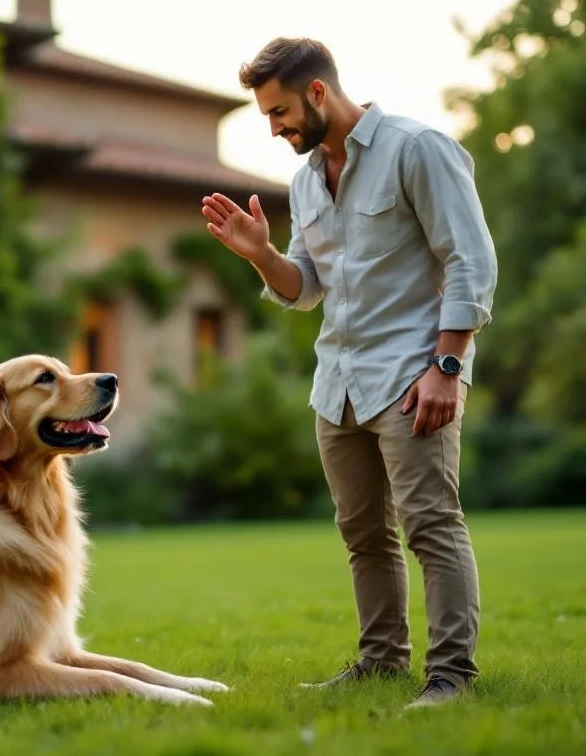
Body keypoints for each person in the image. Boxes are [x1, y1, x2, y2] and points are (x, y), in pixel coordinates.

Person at [201, 37, 498, 709]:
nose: (274, 129)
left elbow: (470, 261)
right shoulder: (307, 180)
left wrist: (446, 365)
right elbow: (304, 286)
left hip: (411, 375)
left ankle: (451, 675)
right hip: (338, 382)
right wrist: (260, 255)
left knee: (430, 522)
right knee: (362, 534)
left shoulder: (417, 149)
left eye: (278, 113)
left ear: (316, 93)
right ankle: (382, 660)